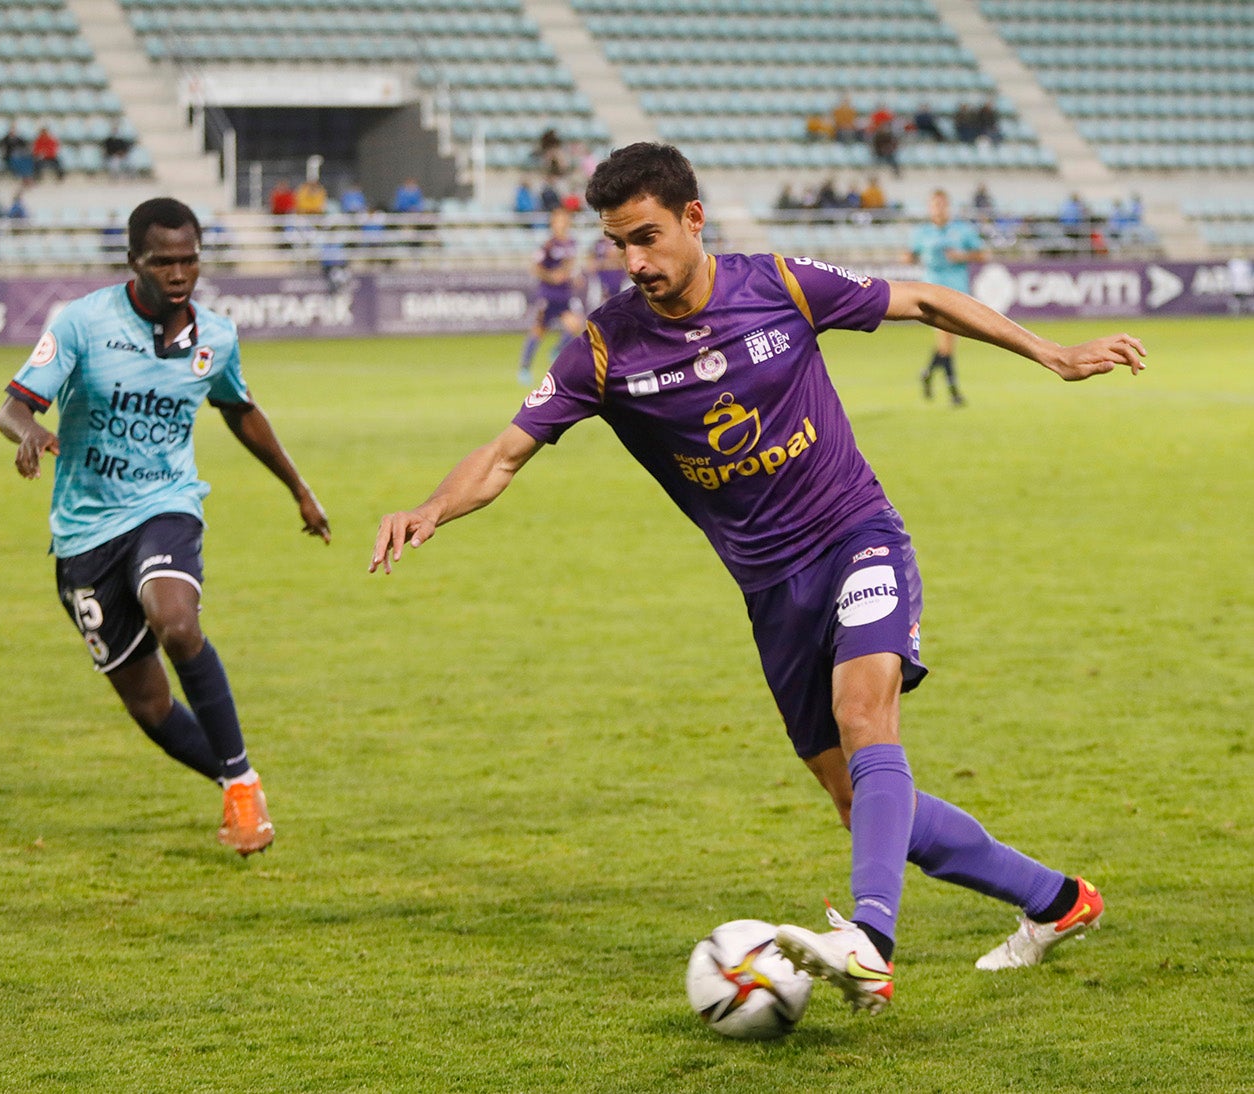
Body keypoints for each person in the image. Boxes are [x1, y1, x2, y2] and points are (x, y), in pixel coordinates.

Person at [371, 143, 1144, 1014]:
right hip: (772, 593)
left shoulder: (778, 283)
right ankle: (1058, 901)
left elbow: (921, 297)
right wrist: (433, 506)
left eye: (648, 238)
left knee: (865, 716)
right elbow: (506, 453)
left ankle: (870, 944)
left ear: (693, 219)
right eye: (619, 244)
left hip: (858, 536)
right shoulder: (603, 348)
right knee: (867, 809)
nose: (635, 262)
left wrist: (1055, 354)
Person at [0, 197, 331, 857]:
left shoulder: (217, 335)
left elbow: (240, 410)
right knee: (149, 706)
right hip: (84, 529)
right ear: (135, 261)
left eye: (190, 260)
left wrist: (300, 489)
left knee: (177, 622)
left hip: (166, 505)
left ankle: (237, 786)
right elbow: (13, 406)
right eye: (164, 261)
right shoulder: (83, 323)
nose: (179, 274)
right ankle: (241, 779)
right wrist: (28, 429)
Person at [903, 189, 987, 405]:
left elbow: (982, 254)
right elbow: (908, 256)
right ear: (930, 208)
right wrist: (909, 257)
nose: (938, 209)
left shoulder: (962, 230)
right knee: (946, 338)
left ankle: (928, 374)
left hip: (957, 291)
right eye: (934, 205)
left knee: (947, 342)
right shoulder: (922, 233)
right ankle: (954, 392)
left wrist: (962, 256)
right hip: (931, 292)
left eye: (941, 204)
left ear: (947, 206)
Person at [516, 205, 584, 385]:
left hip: (565, 295)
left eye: (564, 220)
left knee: (576, 325)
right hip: (548, 295)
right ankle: (524, 368)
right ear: (553, 223)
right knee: (538, 331)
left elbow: (570, 266)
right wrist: (551, 277)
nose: (562, 224)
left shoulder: (571, 243)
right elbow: (536, 268)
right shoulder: (548, 245)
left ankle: (556, 351)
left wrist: (574, 277)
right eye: (558, 220)